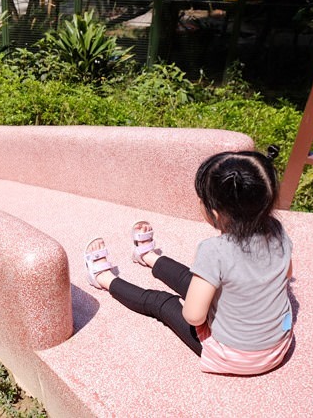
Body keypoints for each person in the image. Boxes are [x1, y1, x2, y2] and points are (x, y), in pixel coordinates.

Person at [84, 148, 293, 375]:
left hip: (234, 356)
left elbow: (193, 316)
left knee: (162, 302)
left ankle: (103, 278)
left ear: (215, 213)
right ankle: (149, 257)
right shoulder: (277, 231)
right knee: (198, 280)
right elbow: (286, 274)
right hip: (278, 345)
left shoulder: (214, 250)